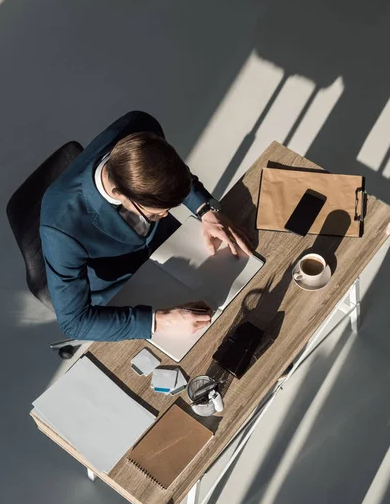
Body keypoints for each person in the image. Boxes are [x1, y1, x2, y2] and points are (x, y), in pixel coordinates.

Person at [40, 111, 253, 343]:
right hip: (121, 285)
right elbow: (75, 323)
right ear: (119, 194)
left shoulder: (141, 127)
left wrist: (206, 210)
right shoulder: (60, 229)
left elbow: (173, 174)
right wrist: (160, 321)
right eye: (154, 214)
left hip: (169, 243)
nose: (164, 215)